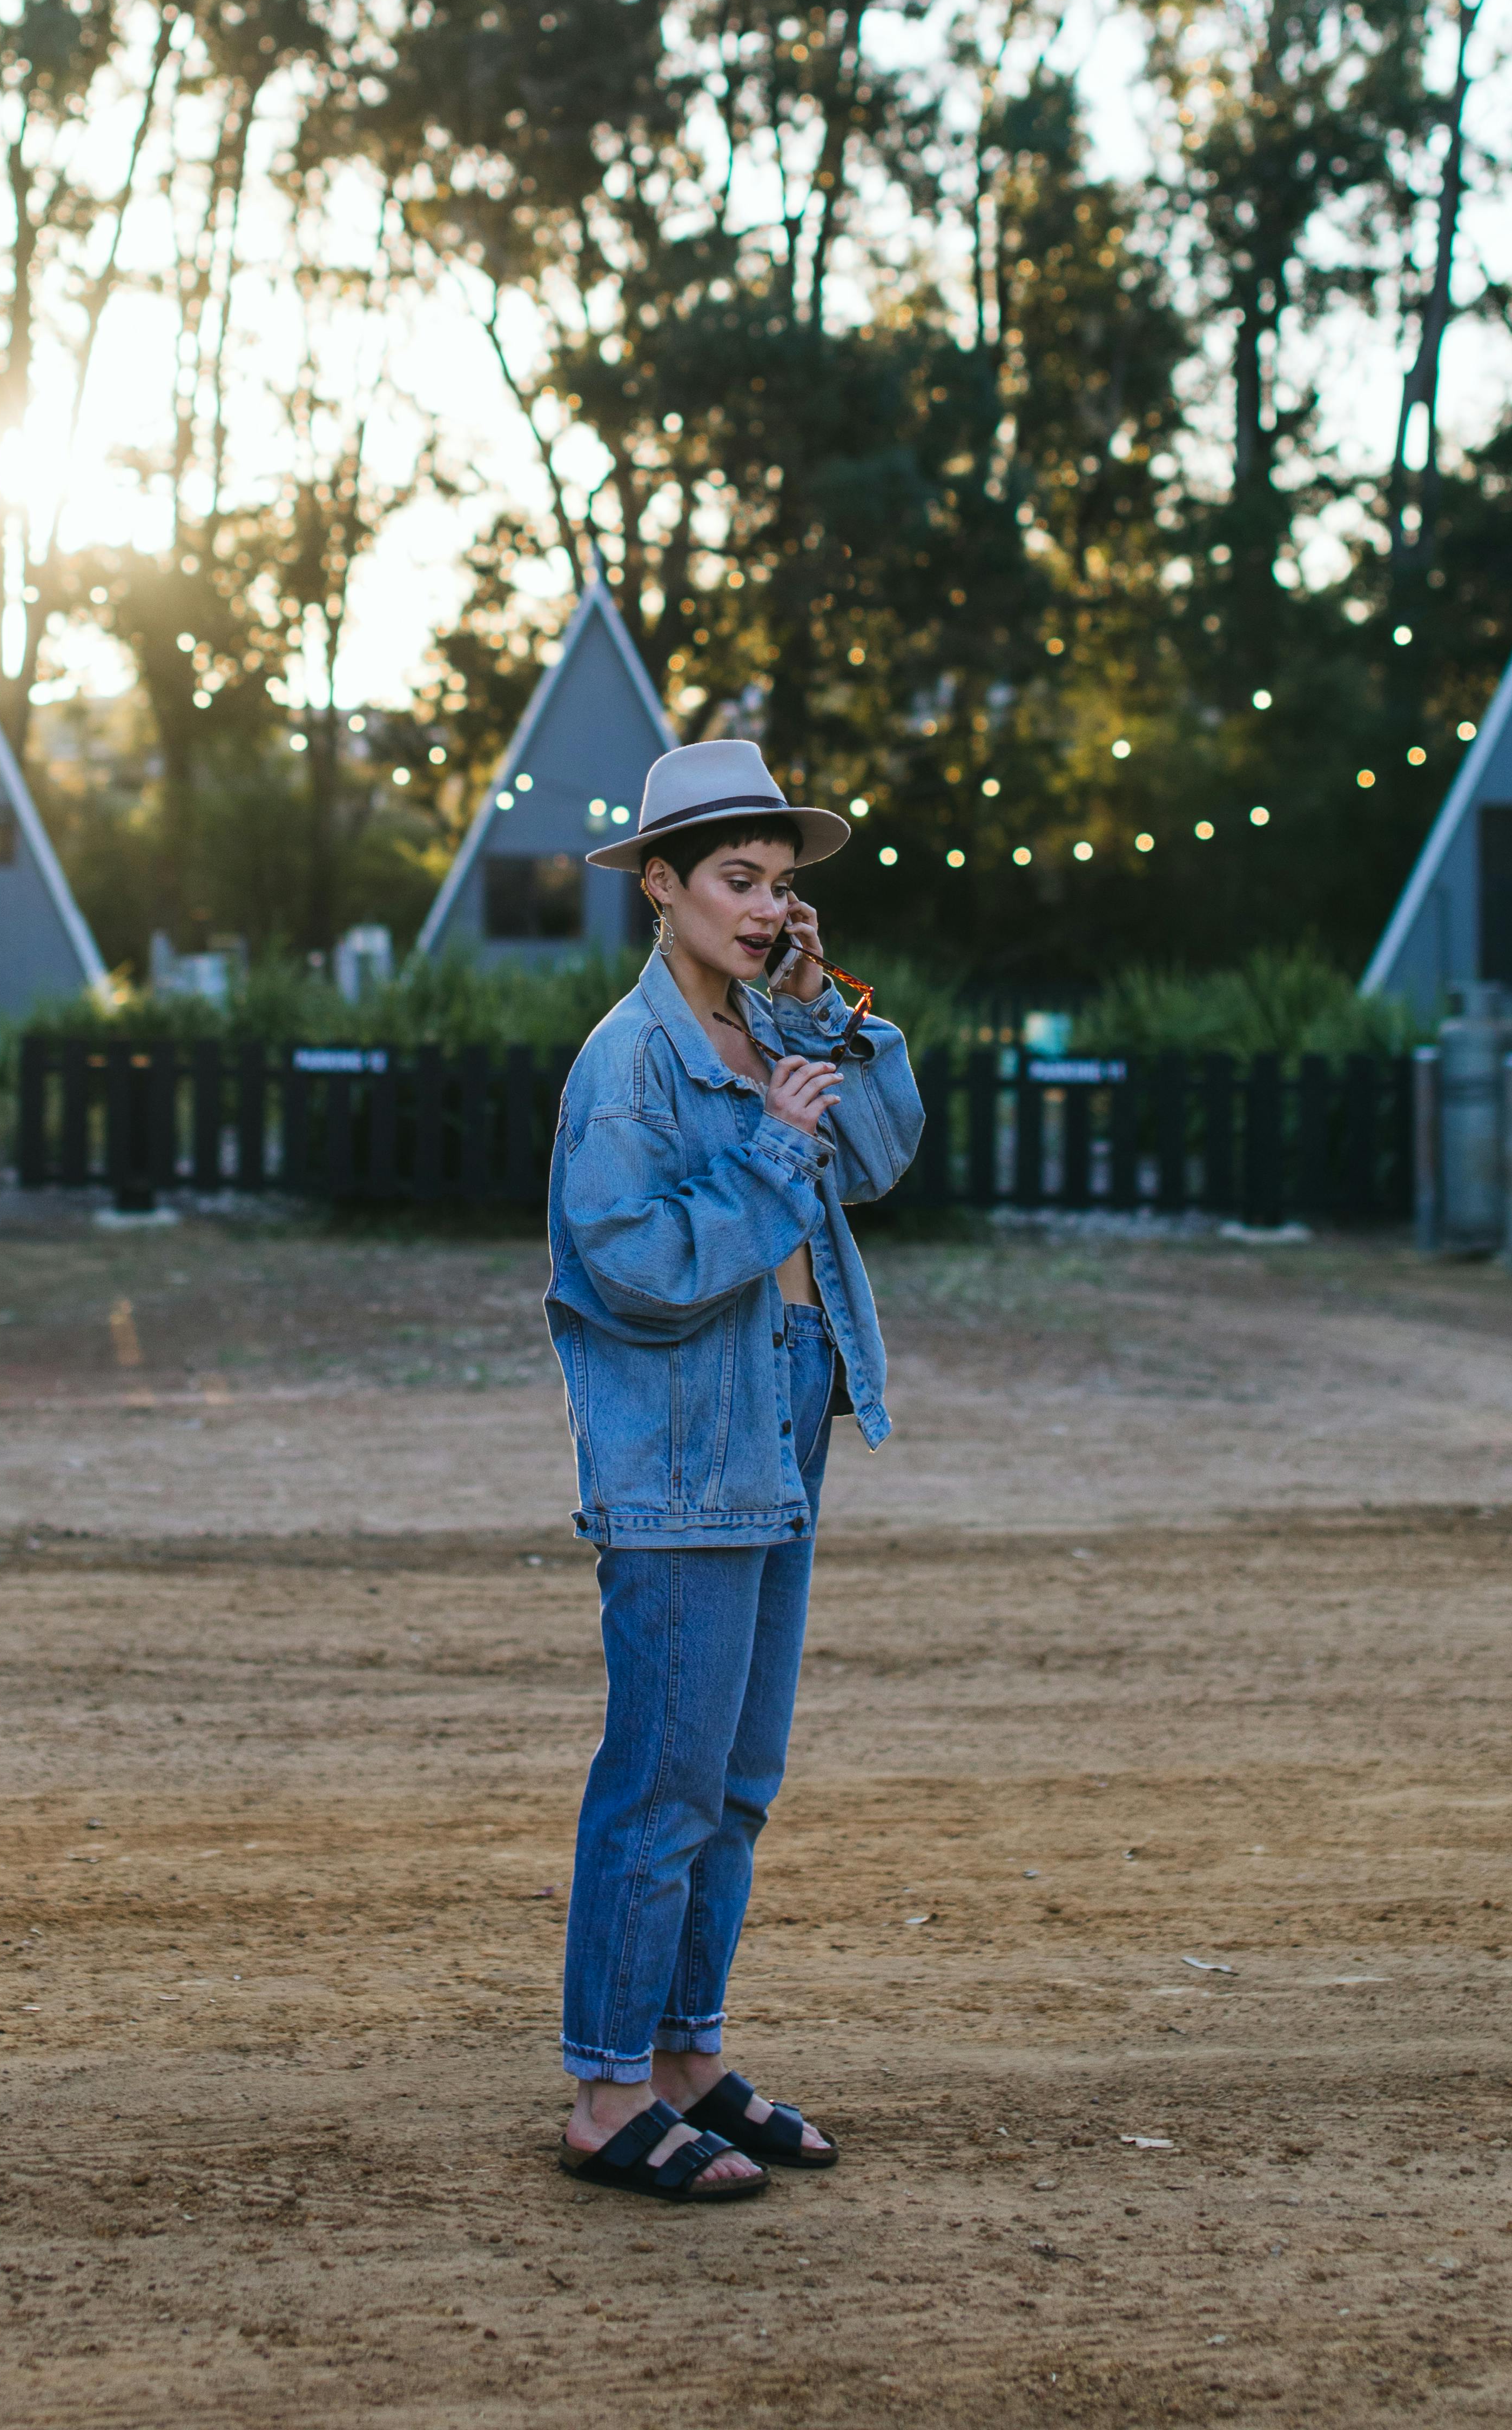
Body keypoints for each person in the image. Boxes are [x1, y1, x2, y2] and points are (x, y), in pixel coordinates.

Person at [545, 740, 923, 2203]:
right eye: (735, 881)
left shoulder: (779, 1033)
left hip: (784, 1425)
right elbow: (633, 1268)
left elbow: (880, 1158)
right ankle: (604, 2093)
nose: (766, 908)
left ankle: (689, 2057)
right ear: (661, 886)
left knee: (739, 1783)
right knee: (661, 1782)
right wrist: (770, 1155)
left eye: (779, 885)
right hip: (683, 1450)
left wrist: (829, 1013)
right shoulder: (629, 1063)